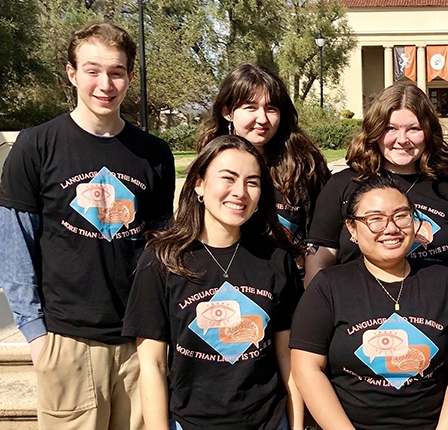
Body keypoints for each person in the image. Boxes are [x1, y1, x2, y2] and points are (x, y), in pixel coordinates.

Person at [0, 22, 175, 429]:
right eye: (93, 70)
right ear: (71, 73)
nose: (105, 84)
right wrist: (36, 335)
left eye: (116, 72)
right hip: (67, 340)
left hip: (138, 342)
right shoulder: (36, 145)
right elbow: (16, 245)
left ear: (130, 77)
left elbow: (161, 246)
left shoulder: (153, 154)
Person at [123, 135, 302, 430]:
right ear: (199, 184)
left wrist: (295, 425)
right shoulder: (162, 260)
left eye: (252, 182)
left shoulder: (276, 259)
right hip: (190, 422)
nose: (240, 192)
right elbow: (152, 364)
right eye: (228, 178)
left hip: (269, 421)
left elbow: (287, 355)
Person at [291, 176, 448, 430]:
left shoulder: (445, 282)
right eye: (375, 219)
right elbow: (307, 367)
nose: (390, 228)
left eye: (401, 215)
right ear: (352, 228)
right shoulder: (328, 286)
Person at [304, 82, 448, 286]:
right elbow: (319, 257)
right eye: (390, 128)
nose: (402, 140)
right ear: (375, 129)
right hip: (356, 309)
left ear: (428, 131)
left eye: (414, 129)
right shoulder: (342, 185)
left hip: (434, 311)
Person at [196, 62, 330, 246]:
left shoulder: (306, 164)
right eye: (250, 107)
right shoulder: (209, 162)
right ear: (228, 112)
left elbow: (325, 232)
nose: (262, 119)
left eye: (271, 108)